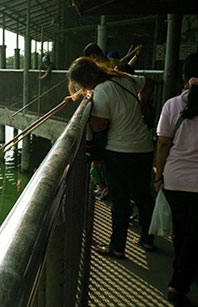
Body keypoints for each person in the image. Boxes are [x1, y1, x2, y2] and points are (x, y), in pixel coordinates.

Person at [66, 57, 155, 258]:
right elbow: (149, 83)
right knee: (143, 196)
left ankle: (117, 247)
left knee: (120, 200)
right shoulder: (123, 79)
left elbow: (99, 126)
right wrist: (139, 105)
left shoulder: (102, 91)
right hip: (144, 148)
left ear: (86, 79)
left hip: (119, 152)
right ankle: (147, 240)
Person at [154, 53, 198, 303]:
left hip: (175, 180)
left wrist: (158, 177)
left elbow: (162, 144)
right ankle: (179, 284)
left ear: (184, 77)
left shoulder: (172, 105)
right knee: (194, 235)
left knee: (182, 233)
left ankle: (178, 281)